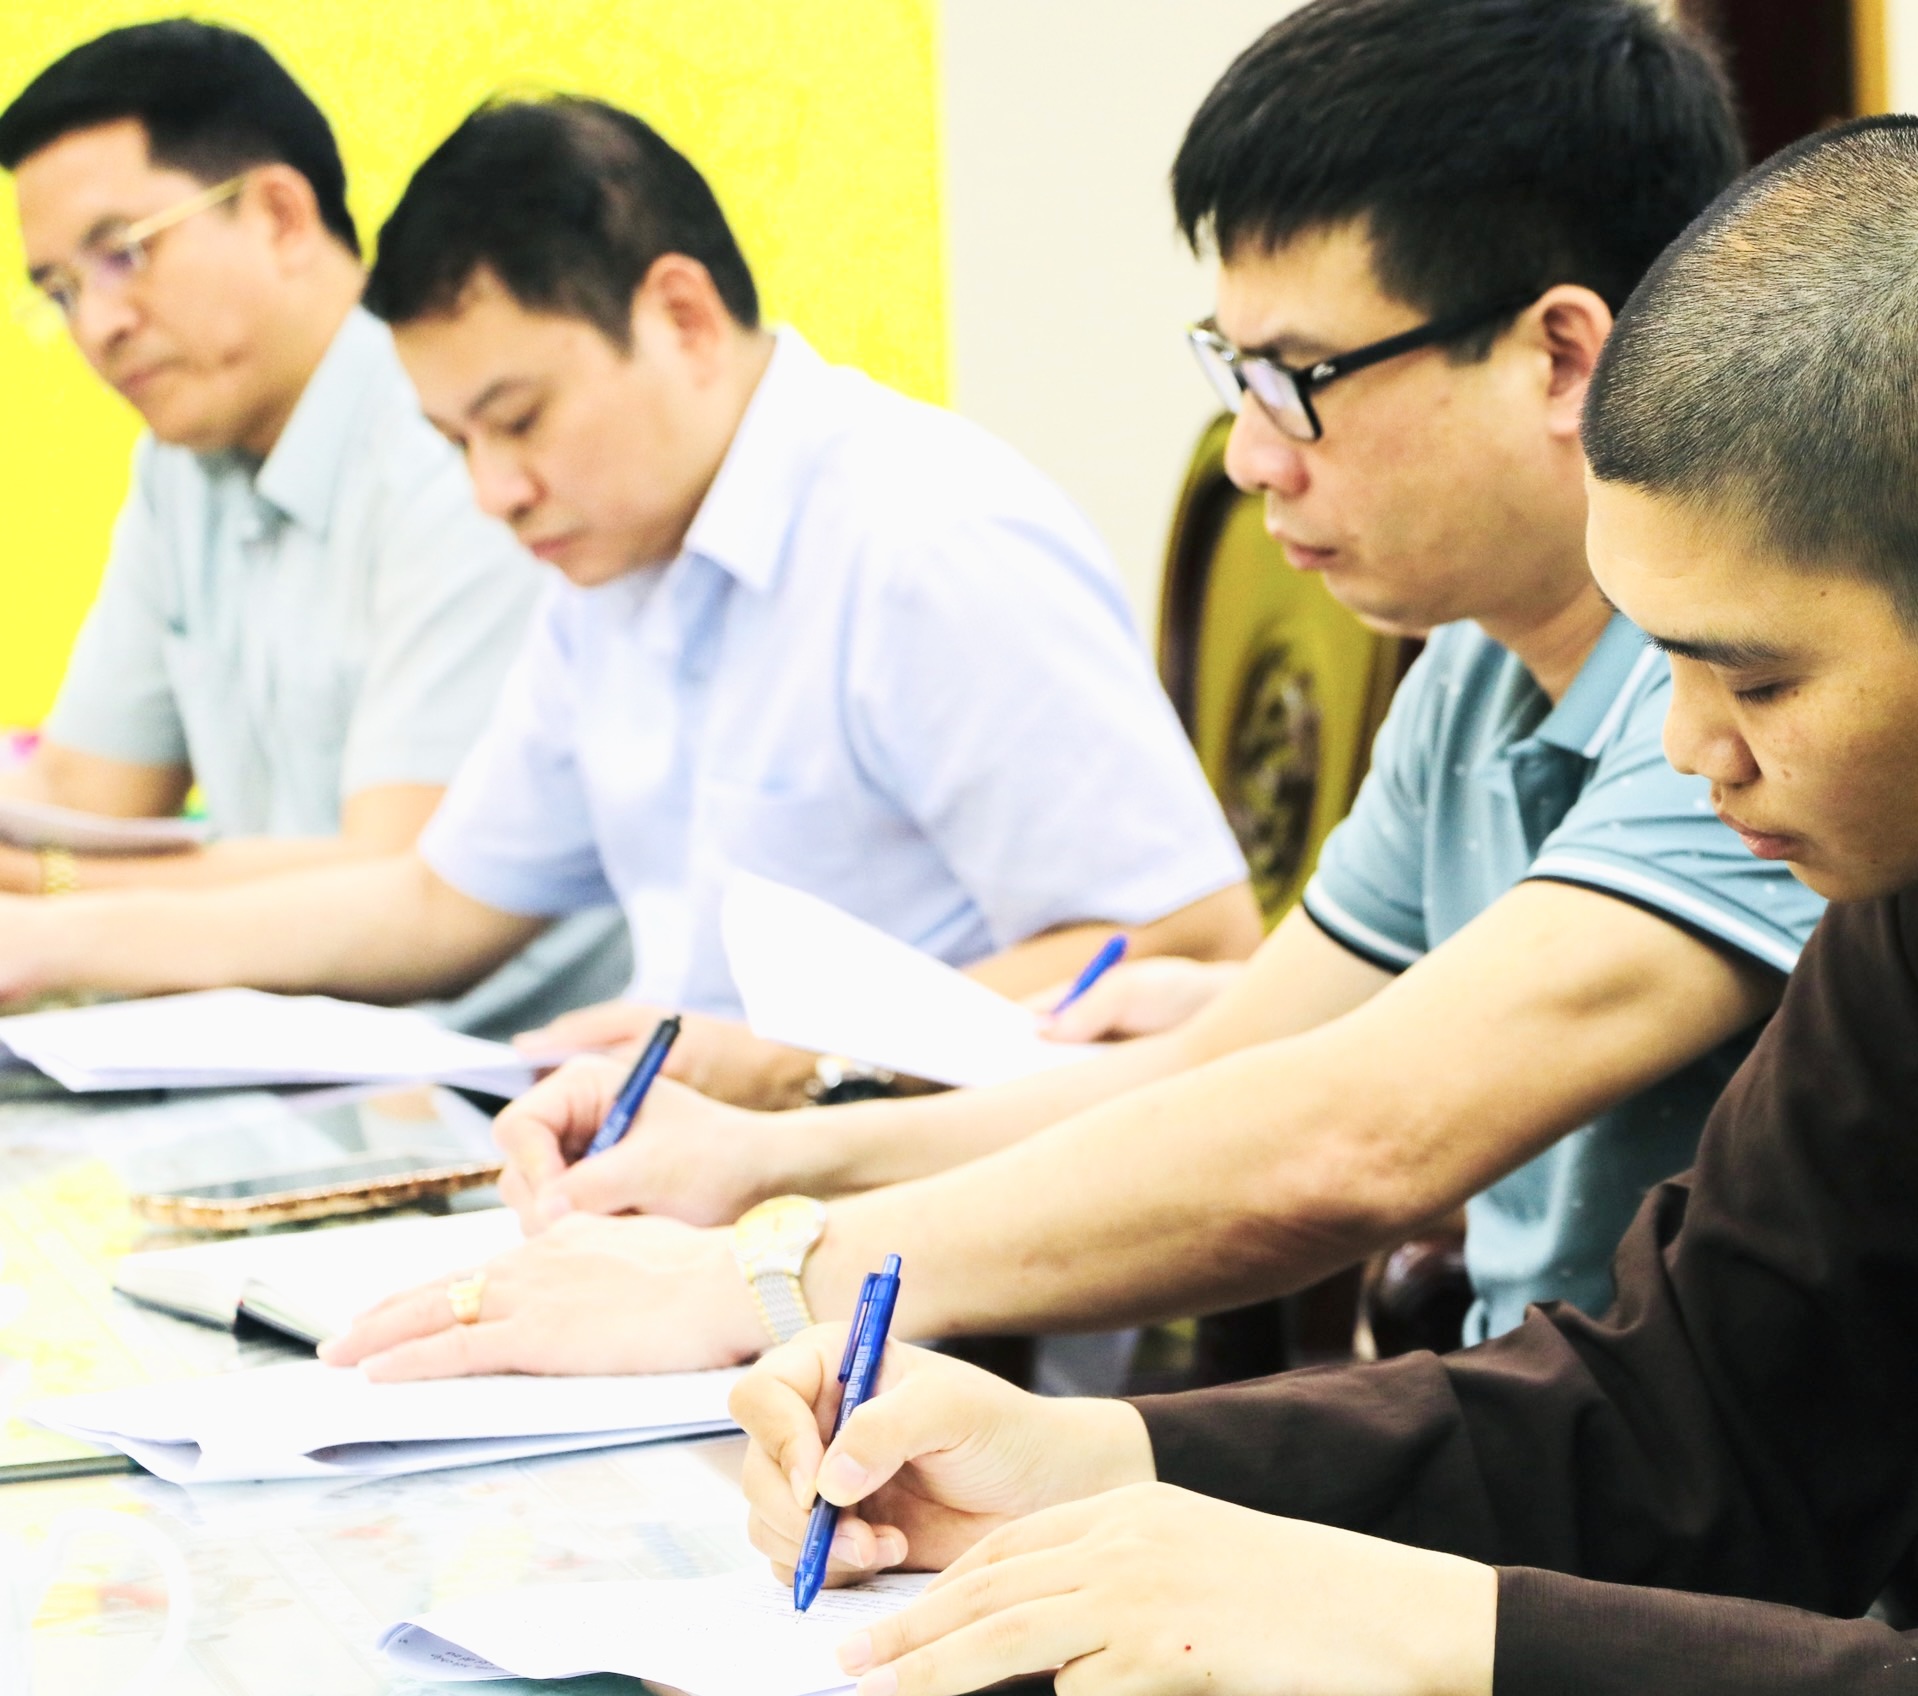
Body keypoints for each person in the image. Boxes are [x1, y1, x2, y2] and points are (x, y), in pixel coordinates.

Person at [725, 115, 1918, 1696]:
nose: (1691, 752)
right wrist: (1104, 1462)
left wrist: (1431, 1630)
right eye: (1662, 661)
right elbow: (1705, 1412)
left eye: (1751, 678)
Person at [317, 0, 1824, 1381]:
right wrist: (762, 1163)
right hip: (1543, 1428)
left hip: (1684, 1510)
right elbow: (1222, 1066)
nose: (1253, 455)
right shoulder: (1477, 668)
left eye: (1297, 378)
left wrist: (757, 1272)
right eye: (1232, 375)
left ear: (1559, 357)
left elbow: (1350, 1143)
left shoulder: (1742, 695)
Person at [0, 95, 1260, 1101]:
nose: (494, 491)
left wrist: (777, 1056)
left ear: (682, 317)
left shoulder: (923, 537)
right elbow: (437, 902)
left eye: (519, 419)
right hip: (704, 1192)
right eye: (455, 443)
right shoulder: (613, 561)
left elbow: (1192, 942)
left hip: (932, 1256)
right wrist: (50, 946)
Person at [0, 21, 623, 1034]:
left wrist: (49, 899)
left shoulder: (456, 439)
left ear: (282, 216)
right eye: (58, 291)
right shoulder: (181, 462)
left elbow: (404, 877)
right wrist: (43, 875)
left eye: (123, 254)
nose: (96, 327)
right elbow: (81, 793)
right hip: (283, 1053)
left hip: (497, 1065)